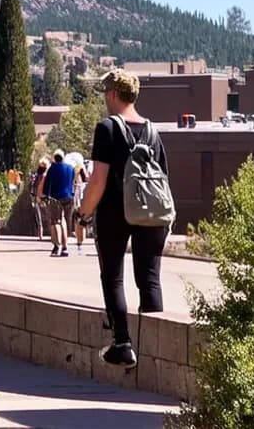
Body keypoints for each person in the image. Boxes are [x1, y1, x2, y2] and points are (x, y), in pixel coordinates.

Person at [76, 70, 170, 369]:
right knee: (149, 278)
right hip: (152, 213)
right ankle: (159, 350)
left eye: (106, 93)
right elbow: (164, 177)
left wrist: (83, 214)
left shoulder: (107, 128)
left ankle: (123, 343)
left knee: (113, 277)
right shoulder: (153, 131)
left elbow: (98, 181)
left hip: (115, 213)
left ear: (113, 94)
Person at [38, 149, 75, 257]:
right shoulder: (71, 168)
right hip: (68, 197)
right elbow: (72, 182)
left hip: (55, 198)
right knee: (64, 221)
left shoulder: (52, 168)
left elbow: (47, 183)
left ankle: (57, 245)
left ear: (54, 158)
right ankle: (65, 247)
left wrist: (43, 196)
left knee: (55, 222)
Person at [30, 159, 50, 239]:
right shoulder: (45, 175)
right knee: (44, 215)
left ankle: (41, 233)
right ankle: (45, 233)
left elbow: (32, 186)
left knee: (39, 216)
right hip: (43, 197)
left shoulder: (36, 175)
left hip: (38, 197)